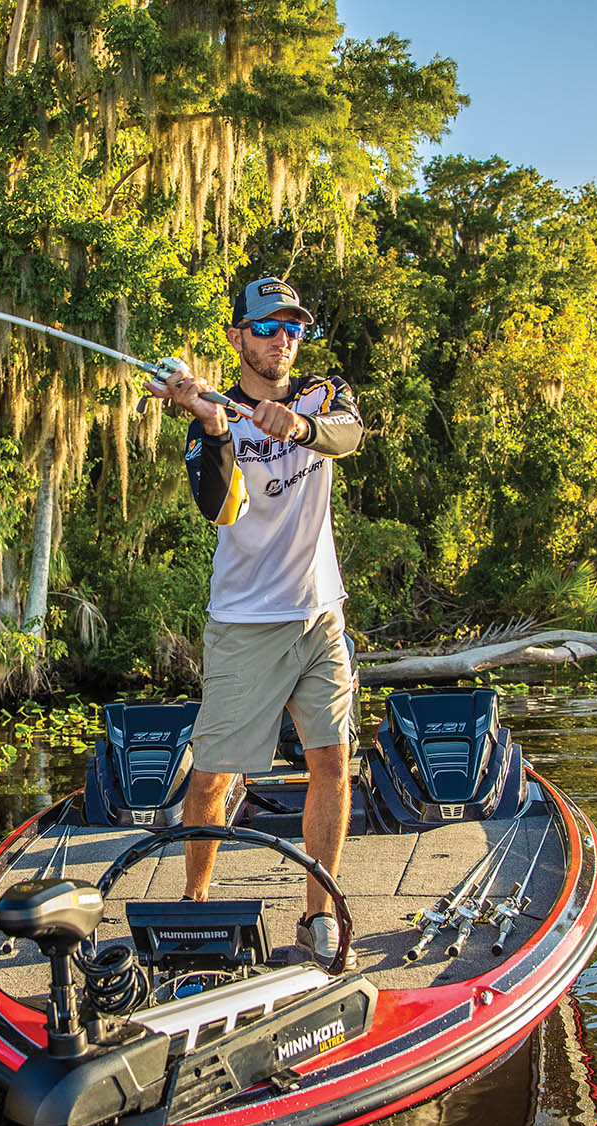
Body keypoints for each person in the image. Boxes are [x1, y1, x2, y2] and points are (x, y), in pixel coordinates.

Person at [145, 275, 365, 968]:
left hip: (320, 616)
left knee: (332, 762)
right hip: (244, 622)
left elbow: (347, 436)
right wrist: (214, 425)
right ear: (238, 335)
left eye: (293, 328)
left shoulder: (322, 394)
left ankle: (318, 914)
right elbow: (221, 509)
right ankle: (197, 901)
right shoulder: (212, 414)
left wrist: (298, 426)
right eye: (268, 328)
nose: (283, 340)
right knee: (213, 772)